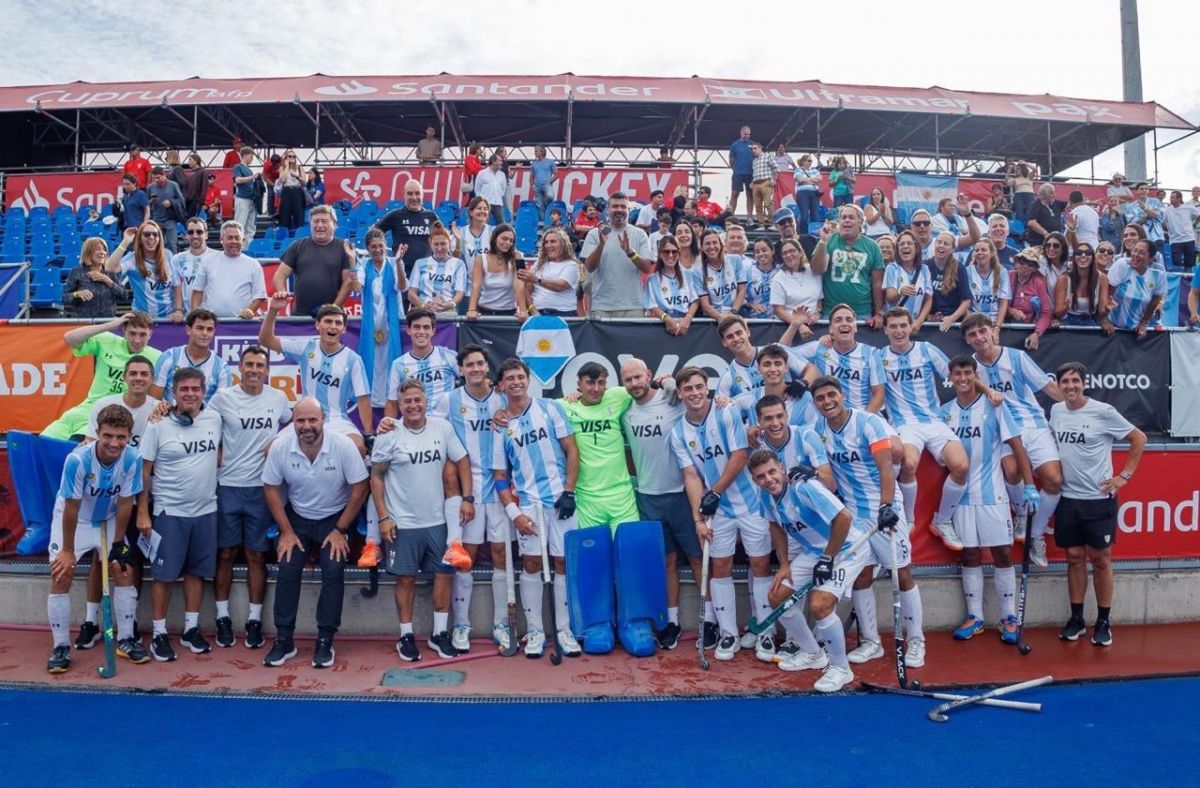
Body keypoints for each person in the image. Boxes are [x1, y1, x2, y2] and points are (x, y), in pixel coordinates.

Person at [808, 375, 924, 668]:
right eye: (820, 398)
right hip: (853, 514)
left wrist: (887, 506)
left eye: (831, 395)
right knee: (862, 576)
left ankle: (917, 641)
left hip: (883, 507)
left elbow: (886, 467)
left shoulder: (868, 423)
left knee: (902, 574)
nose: (827, 402)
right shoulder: (817, 430)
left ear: (842, 395)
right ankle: (871, 642)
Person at [669, 365, 773, 662]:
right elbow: (690, 476)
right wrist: (698, 519)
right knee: (720, 567)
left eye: (700, 386)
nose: (695, 393)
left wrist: (714, 491)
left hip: (750, 504)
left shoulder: (725, 412)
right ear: (680, 393)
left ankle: (764, 630)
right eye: (688, 388)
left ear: (708, 388)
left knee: (760, 564)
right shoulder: (678, 432)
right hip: (718, 513)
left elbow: (740, 455)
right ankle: (730, 633)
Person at [751, 450, 874, 690]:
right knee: (777, 597)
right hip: (814, 553)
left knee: (820, 605)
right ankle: (813, 654)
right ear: (755, 480)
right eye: (761, 476)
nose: (768, 479)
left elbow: (844, 518)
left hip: (847, 549)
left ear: (783, 469)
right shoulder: (765, 496)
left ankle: (840, 668)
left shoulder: (805, 488)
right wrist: (784, 563)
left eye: (772, 472)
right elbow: (775, 525)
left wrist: (828, 559)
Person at [262, 397, 369, 668]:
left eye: (312, 420)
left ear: (323, 420)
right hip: (298, 518)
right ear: (293, 423)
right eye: (300, 421)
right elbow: (271, 488)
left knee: (333, 569)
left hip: (334, 518)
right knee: (287, 567)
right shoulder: (281, 447)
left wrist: (340, 529)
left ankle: (325, 640)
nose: (306, 426)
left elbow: (360, 488)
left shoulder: (343, 446)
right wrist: (286, 531)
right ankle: (284, 639)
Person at [371, 380, 472, 661]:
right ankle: (405, 636)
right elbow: (376, 477)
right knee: (405, 579)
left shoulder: (442, 427)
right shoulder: (389, 433)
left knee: (444, 574)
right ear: (399, 405)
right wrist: (384, 517)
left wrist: (468, 498)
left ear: (425, 401)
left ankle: (439, 634)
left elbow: (462, 460)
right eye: (407, 402)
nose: (413, 406)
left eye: (417, 400)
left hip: (438, 521)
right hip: (402, 523)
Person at [941, 355, 1037, 643]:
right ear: (951, 377)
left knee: (1002, 553)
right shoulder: (944, 412)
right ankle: (975, 616)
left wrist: (1029, 485)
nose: (963, 378)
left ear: (975, 375)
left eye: (968, 373)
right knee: (969, 553)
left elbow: (1016, 445)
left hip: (993, 493)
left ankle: (1009, 616)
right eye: (957, 374)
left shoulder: (995, 405)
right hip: (962, 497)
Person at [1050, 362, 1147, 647]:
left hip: (1098, 501)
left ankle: (1103, 621)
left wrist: (1124, 476)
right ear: (1059, 385)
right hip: (1068, 500)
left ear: (1083, 383)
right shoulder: (1056, 411)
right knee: (1074, 557)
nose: (1070, 386)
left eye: (1075, 381)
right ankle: (1077, 619)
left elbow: (1138, 438)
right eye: (1065, 381)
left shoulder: (1103, 411)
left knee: (1101, 559)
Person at [491, 358, 582, 658]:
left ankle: (564, 630)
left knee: (562, 563)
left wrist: (568, 491)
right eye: (509, 378)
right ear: (501, 385)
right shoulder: (500, 425)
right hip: (529, 505)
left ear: (528, 379)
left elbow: (571, 450)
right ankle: (535, 631)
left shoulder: (551, 409)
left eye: (520, 376)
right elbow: (500, 477)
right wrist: (515, 514)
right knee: (531, 565)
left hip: (560, 502)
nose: (516, 382)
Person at [45, 405, 145, 673]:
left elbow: (125, 504)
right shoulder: (78, 460)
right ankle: (61, 646)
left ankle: (125, 639)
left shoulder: (133, 459)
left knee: (122, 569)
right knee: (61, 573)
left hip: (110, 517)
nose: (114, 443)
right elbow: (72, 507)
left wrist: (119, 544)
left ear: (129, 436)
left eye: (121, 437)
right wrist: (67, 550)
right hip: (74, 520)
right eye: (108, 436)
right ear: (97, 433)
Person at [962, 313, 1064, 568]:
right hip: (1001, 429)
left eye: (982, 331)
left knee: (1053, 480)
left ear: (992, 331)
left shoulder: (1016, 357)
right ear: (967, 339)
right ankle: (1021, 514)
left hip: (1033, 423)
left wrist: (1082, 407)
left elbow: (1049, 388)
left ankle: (1035, 532)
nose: (979, 338)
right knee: (1011, 470)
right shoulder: (970, 369)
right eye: (972, 334)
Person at [207, 346, 290, 649]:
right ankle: (222, 617)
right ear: (239, 368)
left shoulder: (278, 398)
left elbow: (295, 423)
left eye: (260, 365)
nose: (255, 369)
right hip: (227, 485)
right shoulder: (222, 399)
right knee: (226, 554)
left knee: (256, 555)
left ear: (267, 370)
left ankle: (254, 620)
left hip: (261, 489)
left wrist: (279, 438)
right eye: (249, 364)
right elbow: (207, 429)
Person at [138, 368, 222, 662]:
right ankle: (159, 632)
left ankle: (190, 629)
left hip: (206, 511)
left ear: (203, 392)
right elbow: (144, 470)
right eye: (184, 389)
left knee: (196, 572)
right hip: (168, 511)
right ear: (174, 393)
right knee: (163, 575)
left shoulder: (214, 418)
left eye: (195, 389)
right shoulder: (158, 424)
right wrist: (143, 513)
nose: (190, 394)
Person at [878, 308, 973, 557]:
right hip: (904, 424)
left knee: (961, 466)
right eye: (893, 326)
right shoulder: (878, 357)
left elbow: (957, 375)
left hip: (934, 421)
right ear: (885, 329)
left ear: (911, 326)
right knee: (908, 463)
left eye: (903, 325)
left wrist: (987, 391)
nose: (899, 331)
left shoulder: (927, 350)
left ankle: (941, 520)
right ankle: (908, 520)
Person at [618, 359, 698, 650]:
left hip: (682, 494)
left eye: (638, 377)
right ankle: (670, 622)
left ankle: (710, 619)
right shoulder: (624, 412)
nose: (634, 384)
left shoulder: (672, 397)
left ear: (648, 375)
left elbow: (695, 397)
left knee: (699, 560)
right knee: (667, 562)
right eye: (628, 380)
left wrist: (670, 382)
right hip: (648, 497)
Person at [437, 345, 513, 651]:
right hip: (468, 490)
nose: (476, 368)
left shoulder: (503, 399)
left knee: (499, 555)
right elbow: (432, 432)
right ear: (461, 369)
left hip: (500, 488)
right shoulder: (449, 400)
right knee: (465, 556)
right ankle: (462, 625)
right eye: (470, 365)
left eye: (481, 363)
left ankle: (501, 624)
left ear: (487, 366)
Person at [259, 299, 372, 452]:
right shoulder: (306, 347)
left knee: (358, 447)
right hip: (306, 418)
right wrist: (272, 311)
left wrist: (368, 433)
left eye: (338, 323)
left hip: (337, 418)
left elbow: (363, 399)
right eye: (328, 321)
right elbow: (265, 340)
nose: (333, 326)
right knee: (271, 450)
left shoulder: (353, 359)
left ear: (344, 329)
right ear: (318, 325)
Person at [42, 312, 159, 440]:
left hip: (114, 415)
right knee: (44, 439)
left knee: (77, 443)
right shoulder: (107, 341)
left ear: (150, 334)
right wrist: (110, 325)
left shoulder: (158, 358)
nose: (137, 340)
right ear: (124, 332)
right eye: (132, 333)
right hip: (87, 408)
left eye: (143, 335)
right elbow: (70, 338)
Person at [559, 362, 638, 532]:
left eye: (601, 382)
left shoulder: (618, 396)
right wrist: (501, 413)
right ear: (579, 384)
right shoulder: (564, 406)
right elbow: (527, 408)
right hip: (588, 500)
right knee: (595, 557)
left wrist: (666, 381)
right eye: (590, 383)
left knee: (627, 554)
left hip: (622, 497)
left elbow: (645, 387)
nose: (596, 388)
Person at [356, 228, 408, 408]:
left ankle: (391, 399)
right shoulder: (363, 265)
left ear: (385, 247)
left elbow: (401, 286)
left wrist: (400, 263)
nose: (377, 250)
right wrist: (350, 262)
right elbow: (356, 288)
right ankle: (373, 401)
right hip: (371, 324)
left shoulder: (394, 263)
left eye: (380, 246)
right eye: (373, 247)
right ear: (367, 249)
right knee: (372, 361)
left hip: (391, 322)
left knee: (391, 362)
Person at [272, 205, 355, 318]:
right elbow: (279, 275)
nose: (319, 225)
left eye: (324, 221)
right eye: (316, 221)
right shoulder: (297, 246)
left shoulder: (344, 247)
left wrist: (333, 308)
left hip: (332, 317)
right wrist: (282, 292)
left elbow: (348, 282)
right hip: (300, 316)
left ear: (334, 225)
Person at [810, 204, 885, 325]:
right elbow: (817, 269)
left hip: (862, 313)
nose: (847, 221)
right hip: (831, 312)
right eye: (843, 217)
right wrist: (823, 241)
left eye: (851, 217)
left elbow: (877, 283)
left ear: (860, 222)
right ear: (839, 222)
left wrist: (878, 313)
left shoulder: (873, 246)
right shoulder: (829, 240)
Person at [582, 192, 653, 318]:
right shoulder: (594, 234)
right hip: (602, 306)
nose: (619, 210)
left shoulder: (640, 234)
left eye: (623, 207)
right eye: (615, 206)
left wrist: (631, 253)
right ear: (608, 209)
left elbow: (647, 268)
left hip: (633, 306)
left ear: (628, 210)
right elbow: (589, 267)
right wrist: (601, 245)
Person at [386, 308, 460, 420]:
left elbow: (473, 380)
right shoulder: (398, 364)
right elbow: (392, 402)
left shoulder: (449, 356)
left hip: (445, 424)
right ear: (408, 330)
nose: (421, 332)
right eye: (416, 327)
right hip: (413, 425)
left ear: (433, 331)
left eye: (426, 327)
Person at [714, 314, 811, 399]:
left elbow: (811, 370)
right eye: (730, 336)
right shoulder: (728, 377)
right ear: (724, 343)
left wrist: (804, 382)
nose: (736, 338)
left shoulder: (776, 350)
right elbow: (720, 408)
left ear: (747, 332)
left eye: (739, 333)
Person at [150, 308, 231, 404]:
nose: (205, 333)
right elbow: (153, 401)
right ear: (188, 330)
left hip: (205, 417)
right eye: (200, 328)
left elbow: (223, 405)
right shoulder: (168, 357)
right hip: (169, 416)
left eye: (209, 329)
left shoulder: (222, 367)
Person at [106, 223, 184, 321]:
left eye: (155, 234)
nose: (151, 237)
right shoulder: (132, 258)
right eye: (146, 234)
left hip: (169, 318)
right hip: (142, 319)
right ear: (140, 239)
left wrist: (178, 310)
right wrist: (125, 242)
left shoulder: (167, 255)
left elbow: (176, 285)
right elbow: (110, 268)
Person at [190, 221, 267, 318]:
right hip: (210, 324)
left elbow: (259, 297)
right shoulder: (207, 261)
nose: (234, 241)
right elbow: (197, 291)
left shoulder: (254, 265)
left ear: (243, 240)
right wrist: (194, 317)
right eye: (230, 238)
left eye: (237, 238)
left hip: (240, 324)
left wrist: (247, 312)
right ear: (221, 239)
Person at [1100, 238, 1167, 340]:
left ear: (1151, 258)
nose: (1135, 254)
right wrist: (1104, 320)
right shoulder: (1122, 264)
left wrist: (1144, 323)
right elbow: (1107, 294)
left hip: (1136, 328)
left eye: (1141, 252)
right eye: (1135, 250)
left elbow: (1156, 300)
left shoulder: (1159, 273)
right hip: (1112, 323)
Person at [375, 179, 438, 274]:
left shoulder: (432, 217)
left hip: (427, 274)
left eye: (417, 193)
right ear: (404, 195)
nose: (414, 197)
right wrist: (381, 251)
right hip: (402, 273)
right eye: (410, 194)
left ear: (422, 195)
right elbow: (373, 233)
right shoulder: (395, 216)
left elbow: (442, 240)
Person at [643, 234, 698, 334]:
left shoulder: (688, 274)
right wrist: (667, 319)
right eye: (666, 252)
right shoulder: (652, 279)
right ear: (660, 254)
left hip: (686, 326)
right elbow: (652, 306)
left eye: (674, 251)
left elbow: (695, 301)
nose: (671, 255)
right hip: (662, 328)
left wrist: (688, 318)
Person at [408, 223, 466, 316]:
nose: (439, 248)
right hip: (424, 314)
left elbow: (459, 293)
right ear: (430, 244)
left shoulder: (458, 264)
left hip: (448, 315)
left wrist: (449, 305)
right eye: (436, 244)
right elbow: (411, 294)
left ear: (449, 243)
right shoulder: (420, 263)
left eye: (443, 244)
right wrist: (423, 305)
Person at [466, 222, 521, 318]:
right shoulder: (480, 259)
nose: (508, 243)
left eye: (511, 241)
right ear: (495, 238)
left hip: (509, 312)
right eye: (504, 239)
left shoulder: (518, 257)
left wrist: (523, 309)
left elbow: (519, 285)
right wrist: (471, 309)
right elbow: (476, 286)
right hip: (484, 312)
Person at [693, 229, 747, 320]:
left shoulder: (735, 260)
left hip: (736, 312)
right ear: (701, 247)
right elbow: (705, 305)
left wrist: (733, 312)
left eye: (715, 242)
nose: (712, 246)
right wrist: (721, 318)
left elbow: (742, 291)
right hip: (713, 317)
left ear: (721, 245)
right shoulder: (698, 272)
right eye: (707, 243)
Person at [883, 230, 933, 327]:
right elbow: (889, 298)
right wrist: (900, 292)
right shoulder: (892, 268)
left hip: (916, 324)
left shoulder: (924, 270)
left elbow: (928, 299)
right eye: (901, 244)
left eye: (909, 243)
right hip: (896, 324)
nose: (905, 246)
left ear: (916, 248)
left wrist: (919, 322)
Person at [64, 238, 124, 319]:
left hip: (107, 323)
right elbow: (65, 297)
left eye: (104, 249)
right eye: (97, 249)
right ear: (88, 251)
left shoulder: (110, 272)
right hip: (83, 324)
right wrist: (77, 294)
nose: (102, 252)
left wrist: (108, 281)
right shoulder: (76, 272)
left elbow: (124, 295)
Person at [925, 232, 972, 331]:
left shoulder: (959, 268)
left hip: (953, 321)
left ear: (953, 249)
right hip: (929, 320)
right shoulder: (925, 266)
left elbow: (966, 300)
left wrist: (952, 318)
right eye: (939, 242)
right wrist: (927, 316)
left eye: (946, 244)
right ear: (934, 244)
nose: (941, 245)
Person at [1008, 248, 1054, 348]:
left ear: (1034, 268)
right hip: (1007, 328)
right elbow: (997, 304)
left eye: (1030, 264)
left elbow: (1046, 313)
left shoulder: (1039, 283)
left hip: (1029, 328)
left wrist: (1037, 333)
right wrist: (1011, 310)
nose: (1025, 266)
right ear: (1016, 263)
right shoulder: (1007, 276)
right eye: (1022, 262)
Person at [770, 238, 822, 322]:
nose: (788, 255)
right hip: (788, 326)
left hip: (814, 325)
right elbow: (778, 310)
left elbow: (819, 300)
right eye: (785, 253)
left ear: (801, 252)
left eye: (792, 251)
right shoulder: (778, 278)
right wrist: (798, 325)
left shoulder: (813, 271)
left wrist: (817, 313)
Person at [965, 238, 1011, 326]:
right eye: (977, 250)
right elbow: (963, 302)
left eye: (984, 250)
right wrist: (970, 324)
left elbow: (1003, 303)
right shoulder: (967, 272)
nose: (979, 252)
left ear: (992, 253)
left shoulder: (1002, 272)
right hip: (973, 320)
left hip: (994, 321)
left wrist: (997, 328)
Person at [172, 217, 215, 308]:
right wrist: (179, 309)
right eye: (191, 232)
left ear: (206, 235)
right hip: (186, 316)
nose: (195, 236)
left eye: (199, 232)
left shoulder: (217, 257)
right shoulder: (177, 259)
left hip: (212, 314)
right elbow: (177, 288)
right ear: (186, 235)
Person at [456, 197, 494, 299]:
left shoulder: (494, 232)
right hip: (467, 291)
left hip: (491, 292)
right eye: (479, 208)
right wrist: (458, 242)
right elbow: (455, 261)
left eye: (485, 209)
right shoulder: (461, 232)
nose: (482, 211)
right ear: (471, 212)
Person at [146, 167, 186, 253]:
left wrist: (171, 202)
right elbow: (146, 205)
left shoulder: (173, 185)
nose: (156, 180)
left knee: (171, 244)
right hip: (157, 219)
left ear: (164, 175)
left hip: (170, 219)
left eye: (158, 177)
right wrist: (151, 202)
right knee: (157, 244)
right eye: (154, 178)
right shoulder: (150, 187)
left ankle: (172, 263)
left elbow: (182, 201)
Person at [1063, 243, 1102, 327]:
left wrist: (1107, 309)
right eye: (1078, 252)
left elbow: (1102, 313)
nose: (1083, 255)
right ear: (1073, 257)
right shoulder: (1064, 278)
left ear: (1093, 257)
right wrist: (1065, 307)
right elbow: (1058, 314)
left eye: (1088, 253)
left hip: (1091, 321)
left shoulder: (1102, 278)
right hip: (1069, 321)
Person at [1124, 182, 1165, 260]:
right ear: (1137, 191)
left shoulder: (1156, 201)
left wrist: (1145, 209)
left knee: (1159, 261)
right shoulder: (1130, 206)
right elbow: (1132, 223)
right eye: (1141, 189)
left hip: (1157, 237)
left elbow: (1159, 217)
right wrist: (1147, 212)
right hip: (1140, 239)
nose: (1144, 190)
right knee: (1141, 261)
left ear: (1148, 191)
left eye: (1146, 189)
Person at [740, 236, 776, 318]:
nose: (761, 254)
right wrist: (750, 304)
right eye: (757, 252)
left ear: (772, 251)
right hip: (754, 321)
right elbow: (740, 296)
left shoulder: (780, 272)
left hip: (776, 322)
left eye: (764, 250)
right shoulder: (747, 272)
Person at [1164, 190, 1200, 270]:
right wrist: (1168, 228)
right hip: (1175, 240)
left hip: (1189, 239)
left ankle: (1188, 281)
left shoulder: (1188, 208)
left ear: (1179, 198)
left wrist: (1195, 223)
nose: (1170, 199)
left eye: (1172, 197)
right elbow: (1162, 221)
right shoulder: (1167, 210)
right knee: (1176, 264)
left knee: (1189, 264)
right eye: (1170, 197)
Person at [231, 146, 259, 241]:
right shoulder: (237, 167)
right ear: (245, 155)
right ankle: (238, 245)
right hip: (242, 199)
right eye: (251, 156)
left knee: (251, 226)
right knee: (240, 224)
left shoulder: (249, 170)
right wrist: (252, 177)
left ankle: (248, 247)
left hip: (251, 199)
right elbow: (238, 180)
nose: (252, 159)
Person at [275, 149, 306, 232]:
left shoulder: (300, 168)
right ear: (286, 158)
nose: (292, 158)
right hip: (287, 191)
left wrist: (297, 176)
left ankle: (299, 233)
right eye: (290, 156)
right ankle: (284, 233)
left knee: (298, 214)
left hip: (297, 191)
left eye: (294, 156)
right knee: (285, 214)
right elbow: (282, 180)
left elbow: (304, 182)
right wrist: (287, 167)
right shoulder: (282, 168)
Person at [749, 143, 778, 227]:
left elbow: (776, 168)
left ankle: (773, 224)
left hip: (766, 182)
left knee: (767, 203)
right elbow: (755, 172)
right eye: (752, 149)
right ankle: (761, 225)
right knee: (758, 205)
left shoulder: (768, 156)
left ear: (760, 148)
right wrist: (752, 182)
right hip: (756, 183)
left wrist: (774, 180)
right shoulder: (754, 161)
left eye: (755, 148)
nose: (753, 150)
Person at [728, 126, 755, 217]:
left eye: (748, 134)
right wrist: (735, 169)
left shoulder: (752, 144)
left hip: (750, 173)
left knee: (750, 195)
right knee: (734, 194)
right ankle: (730, 216)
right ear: (741, 133)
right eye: (745, 134)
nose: (747, 135)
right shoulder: (735, 144)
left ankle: (750, 218)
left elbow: (757, 157)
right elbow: (731, 159)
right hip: (738, 173)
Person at [474, 155, 508, 224]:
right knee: (484, 223)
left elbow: (504, 188)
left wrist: (500, 195)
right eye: (500, 161)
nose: (501, 163)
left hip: (498, 203)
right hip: (485, 203)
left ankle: (500, 235)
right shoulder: (482, 173)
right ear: (493, 162)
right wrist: (480, 201)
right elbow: (477, 188)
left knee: (502, 224)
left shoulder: (502, 174)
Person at [793, 154, 822, 230]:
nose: (811, 162)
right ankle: (803, 233)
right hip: (803, 194)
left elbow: (819, 179)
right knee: (804, 215)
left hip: (815, 193)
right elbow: (800, 179)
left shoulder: (815, 170)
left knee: (815, 215)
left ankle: (814, 232)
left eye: (811, 160)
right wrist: (813, 180)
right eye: (809, 160)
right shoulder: (798, 170)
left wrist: (806, 179)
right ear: (803, 161)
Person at [529, 146, 557, 211]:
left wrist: (549, 181)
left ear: (542, 152)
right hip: (537, 185)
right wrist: (532, 185)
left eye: (536, 151)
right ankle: (542, 220)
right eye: (535, 151)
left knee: (550, 196)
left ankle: (545, 204)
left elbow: (556, 174)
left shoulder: (550, 162)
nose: (535, 153)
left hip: (546, 184)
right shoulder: (533, 163)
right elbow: (531, 176)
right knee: (539, 206)